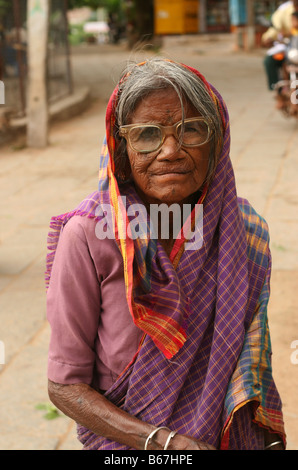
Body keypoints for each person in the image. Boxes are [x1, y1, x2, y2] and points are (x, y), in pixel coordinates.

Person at [45, 58, 286, 451]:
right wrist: (164, 442)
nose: (171, 150)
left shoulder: (243, 229)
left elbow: (251, 363)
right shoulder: (89, 235)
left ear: (217, 142)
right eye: (147, 135)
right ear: (121, 149)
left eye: (192, 130)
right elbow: (64, 385)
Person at [262, 0, 298, 90]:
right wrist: (268, 38)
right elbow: (275, 29)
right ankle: (279, 92)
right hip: (291, 49)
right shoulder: (284, 10)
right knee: (270, 61)